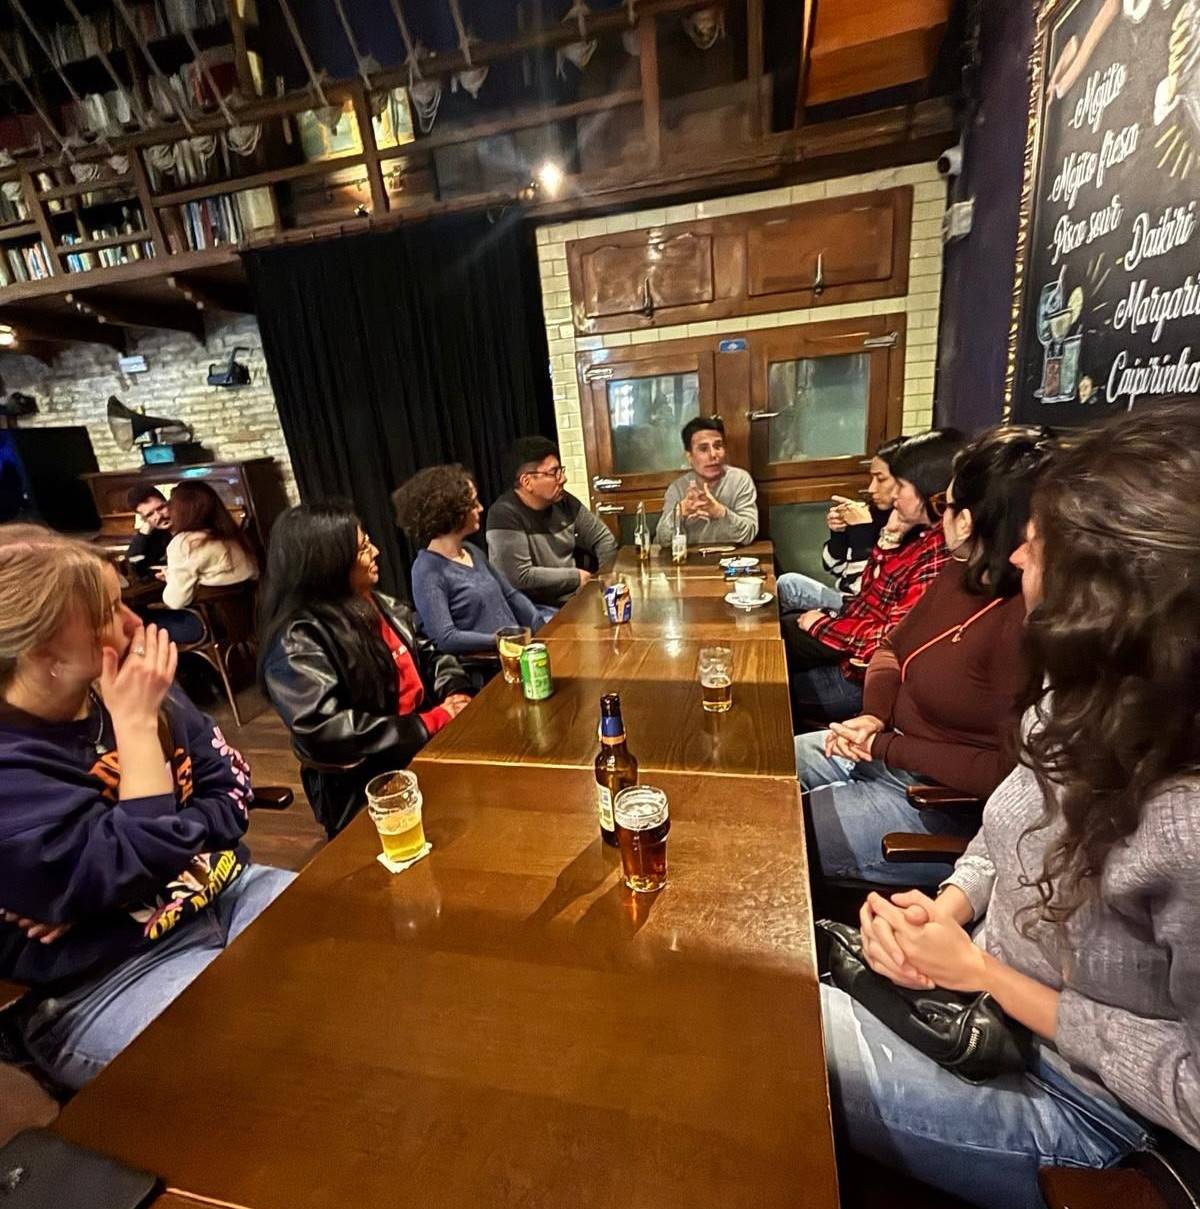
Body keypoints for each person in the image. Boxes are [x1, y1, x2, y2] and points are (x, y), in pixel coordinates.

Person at [820, 403, 1200, 1209]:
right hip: (975, 1000)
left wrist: (985, 972)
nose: (1020, 549)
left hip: (1084, 1105)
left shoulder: (1186, 822)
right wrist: (950, 913)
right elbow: (1004, 833)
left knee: (762, 1036)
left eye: (1045, 541)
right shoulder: (1074, 694)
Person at [0, 524, 292, 1092]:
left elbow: (231, 788)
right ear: (41, 651)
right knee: (272, 1066)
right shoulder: (16, 764)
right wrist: (135, 732)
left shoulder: (128, 684)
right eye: (110, 611)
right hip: (101, 980)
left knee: (361, 962)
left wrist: (113, 884)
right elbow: (123, 862)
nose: (138, 624)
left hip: (227, 894)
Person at [795, 426, 1055, 886]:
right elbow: (891, 645)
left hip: (931, 802)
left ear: (968, 521)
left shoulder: (1024, 622)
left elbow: (1004, 773)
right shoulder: (962, 569)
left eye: (945, 506)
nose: (940, 520)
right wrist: (873, 717)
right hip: (883, 752)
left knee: (777, 831)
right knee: (766, 769)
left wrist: (885, 745)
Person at [259, 504, 473, 837]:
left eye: (368, 541)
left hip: (426, 744)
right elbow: (323, 728)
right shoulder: (299, 636)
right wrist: (429, 722)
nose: (375, 552)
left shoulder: (377, 603)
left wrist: (454, 691)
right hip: (370, 779)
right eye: (361, 549)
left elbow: (428, 652)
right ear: (327, 563)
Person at [783, 429, 965, 724]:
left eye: (896, 483)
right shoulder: (917, 534)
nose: (890, 492)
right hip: (856, 654)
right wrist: (885, 538)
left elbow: (891, 640)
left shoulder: (939, 553)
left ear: (930, 491)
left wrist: (822, 625)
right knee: (782, 638)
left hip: (868, 679)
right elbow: (866, 596)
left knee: (778, 685)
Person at [393, 464, 550, 660]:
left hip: (517, 654)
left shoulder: (472, 551)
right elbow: (446, 637)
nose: (481, 508)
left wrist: (542, 628)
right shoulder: (427, 570)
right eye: (473, 504)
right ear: (452, 512)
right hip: (487, 667)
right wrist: (502, 640)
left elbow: (511, 596)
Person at [777, 435, 906, 613]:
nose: (871, 488)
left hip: (863, 610)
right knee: (787, 584)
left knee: (788, 620)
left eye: (881, 479)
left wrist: (862, 531)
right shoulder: (874, 511)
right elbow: (833, 567)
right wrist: (839, 532)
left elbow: (863, 593)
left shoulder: (907, 526)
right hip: (846, 597)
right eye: (872, 478)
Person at [486, 436, 617, 608]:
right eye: (554, 473)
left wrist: (607, 584)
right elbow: (518, 575)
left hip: (575, 599)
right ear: (527, 481)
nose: (563, 478)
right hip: (534, 609)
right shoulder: (504, 514)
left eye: (561, 470)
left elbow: (604, 539)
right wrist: (575, 577)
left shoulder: (565, 502)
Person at [157, 481, 258, 644]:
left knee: (144, 627)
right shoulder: (234, 536)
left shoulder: (185, 543)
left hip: (210, 624)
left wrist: (170, 578)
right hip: (248, 621)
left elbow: (175, 601)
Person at [654, 416, 758, 548]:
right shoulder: (678, 488)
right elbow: (662, 541)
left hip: (732, 561)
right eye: (703, 449)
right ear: (689, 456)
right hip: (690, 563)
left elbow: (749, 534)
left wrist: (721, 512)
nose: (713, 454)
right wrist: (680, 512)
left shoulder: (740, 480)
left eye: (718, 446)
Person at [124, 485, 172, 580]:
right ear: (143, 518)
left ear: (168, 504)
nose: (158, 516)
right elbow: (135, 568)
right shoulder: (152, 536)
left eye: (161, 508)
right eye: (150, 514)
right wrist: (143, 534)